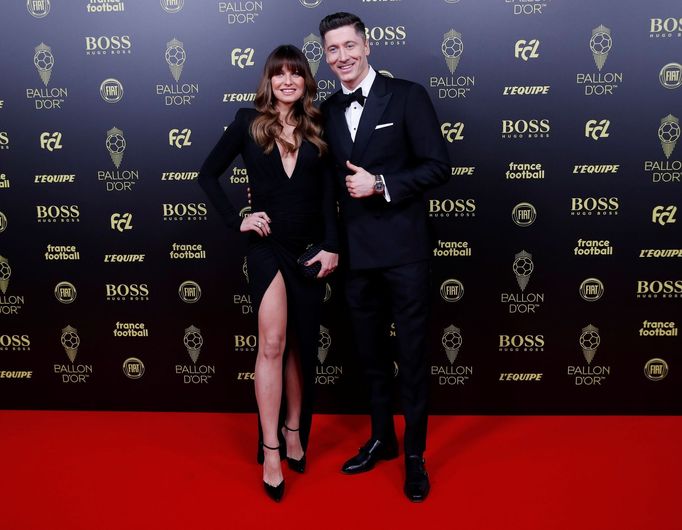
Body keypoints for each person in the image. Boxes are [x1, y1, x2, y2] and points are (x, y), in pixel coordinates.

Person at [197, 45, 339, 502]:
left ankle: (295, 430)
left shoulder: (321, 126)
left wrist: (332, 246)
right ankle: (272, 448)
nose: (287, 82)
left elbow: (328, 197)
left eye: (295, 74)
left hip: (310, 249)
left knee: (298, 343)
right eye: (279, 75)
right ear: (268, 80)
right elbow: (207, 175)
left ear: (305, 81)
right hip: (266, 249)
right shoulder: (247, 122)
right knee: (273, 341)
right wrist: (236, 218)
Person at [318, 12, 450, 502]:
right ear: (326, 56)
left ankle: (415, 456)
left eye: (350, 46)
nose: (342, 57)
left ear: (368, 46)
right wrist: (332, 245)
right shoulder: (327, 110)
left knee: (411, 357)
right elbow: (329, 189)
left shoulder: (408, 95)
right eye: (333, 50)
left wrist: (383, 184)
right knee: (371, 357)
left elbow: (439, 167)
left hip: (405, 251)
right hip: (357, 256)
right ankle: (382, 439)